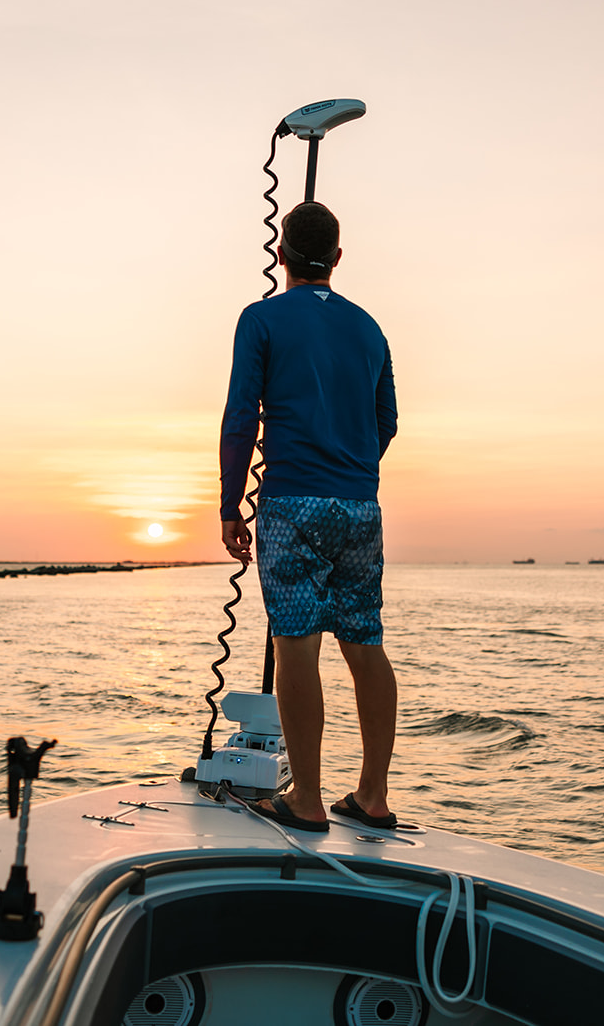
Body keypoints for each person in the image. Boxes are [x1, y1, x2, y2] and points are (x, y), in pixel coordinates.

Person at [219, 201, 399, 833]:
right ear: (338, 259)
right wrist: (349, 466)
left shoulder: (260, 319)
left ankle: (307, 799)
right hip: (360, 506)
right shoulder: (370, 328)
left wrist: (229, 505)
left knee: (296, 645)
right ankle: (372, 797)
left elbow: (243, 417)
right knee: (365, 641)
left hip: (292, 501)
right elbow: (387, 422)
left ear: (280, 253)